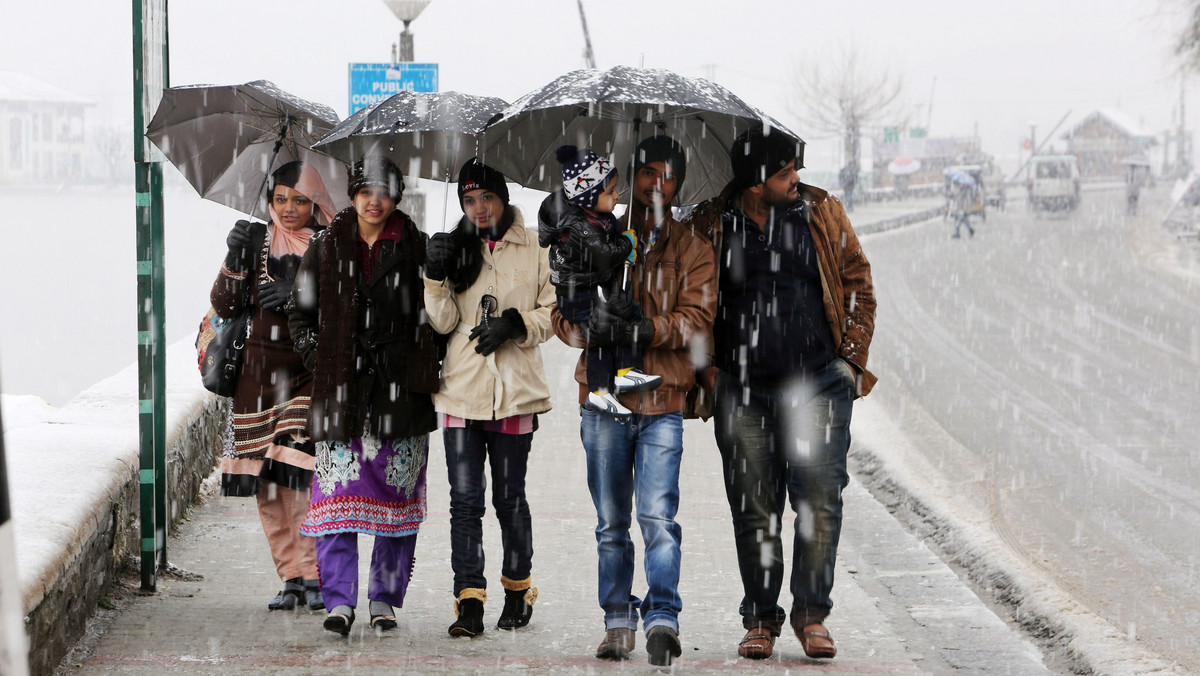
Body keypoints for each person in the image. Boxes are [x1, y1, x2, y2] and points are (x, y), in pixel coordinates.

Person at [684, 126, 877, 661]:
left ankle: (812, 615)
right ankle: (761, 619)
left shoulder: (821, 214)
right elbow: (692, 302)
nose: (797, 180)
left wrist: (849, 362)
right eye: (785, 172)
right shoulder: (712, 225)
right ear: (753, 183)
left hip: (817, 383)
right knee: (754, 509)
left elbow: (859, 283)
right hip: (742, 391)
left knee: (819, 502)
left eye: (796, 169)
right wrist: (707, 375)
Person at [552, 135, 716, 666]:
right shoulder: (595, 230)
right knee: (610, 523)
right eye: (646, 173)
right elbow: (560, 309)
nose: (655, 184)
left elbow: (698, 320)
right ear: (632, 177)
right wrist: (587, 330)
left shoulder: (693, 248)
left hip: (662, 396)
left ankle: (663, 617)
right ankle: (617, 618)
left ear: (680, 182)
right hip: (603, 396)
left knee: (658, 517)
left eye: (667, 175)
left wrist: (646, 328)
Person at [287, 154, 441, 636]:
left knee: (396, 508)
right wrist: (322, 361)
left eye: (384, 192)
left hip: (401, 396)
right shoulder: (329, 245)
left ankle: (383, 601)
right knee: (336, 504)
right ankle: (338, 601)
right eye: (366, 192)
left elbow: (439, 313)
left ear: (396, 197)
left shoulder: (416, 246)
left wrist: (420, 360)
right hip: (342, 396)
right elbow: (300, 314)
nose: (375, 202)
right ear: (352, 195)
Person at [422, 159, 556, 637]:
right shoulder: (455, 247)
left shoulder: (536, 245)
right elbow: (440, 322)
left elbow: (551, 313)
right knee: (464, 501)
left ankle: (518, 590)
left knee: (509, 498)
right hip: (461, 392)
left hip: (515, 395)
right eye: (469, 200)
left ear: (502, 197)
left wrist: (516, 324)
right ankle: (469, 599)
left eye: (487, 198)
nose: (479, 208)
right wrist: (435, 277)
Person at [210, 160, 336, 613]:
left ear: (315, 202)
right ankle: (290, 579)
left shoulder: (328, 245)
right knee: (266, 486)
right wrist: (233, 257)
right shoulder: (256, 241)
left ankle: (314, 574)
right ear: (269, 200)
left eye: (299, 199)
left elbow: (343, 312)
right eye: (280, 198)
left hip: (305, 374)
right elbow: (224, 303)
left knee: (298, 477)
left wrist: (297, 294)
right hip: (256, 380)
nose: (288, 208)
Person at [538, 145, 662, 418]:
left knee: (628, 313)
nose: (617, 195)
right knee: (602, 334)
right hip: (576, 296)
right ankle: (599, 391)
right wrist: (626, 243)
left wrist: (620, 238)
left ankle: (625, 372)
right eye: (610, 191)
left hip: (588, 287)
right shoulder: (581, 227)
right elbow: (604, 255)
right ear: (588, 196)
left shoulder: (596, 219)